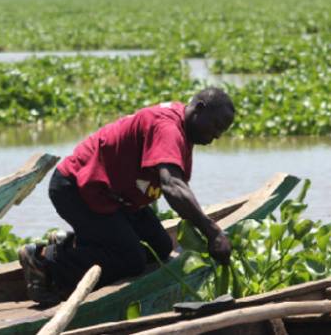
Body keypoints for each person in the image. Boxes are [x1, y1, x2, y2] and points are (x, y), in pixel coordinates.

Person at [18, 87, 235, 305]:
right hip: (78, 188)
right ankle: (45, 260)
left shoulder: (183, 127)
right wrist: (213, 232)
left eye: (222, 131)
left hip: (117, 197)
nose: (216, 135)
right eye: (216, 125)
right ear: (199, 108)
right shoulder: (168, 127)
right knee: (132, 260)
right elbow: (172, 186)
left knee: (160, 246)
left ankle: (75, 244)